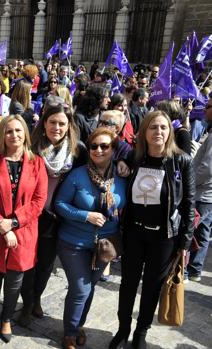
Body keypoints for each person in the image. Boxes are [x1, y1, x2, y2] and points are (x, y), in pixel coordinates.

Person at [110, 111, 195, 349]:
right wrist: (120, 162)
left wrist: (185, 244)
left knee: (151, 288)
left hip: (164, 237)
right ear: (144, 132)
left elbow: (189, 203)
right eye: (153, 127)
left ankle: (140, 333)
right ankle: (123, 329)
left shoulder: (182, 161)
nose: (158, 132)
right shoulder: (135, 158)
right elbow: (111, 143)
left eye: (163, 128)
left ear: (170, 132)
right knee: (128, 285)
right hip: (134, 234)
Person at [54, 127, 127, 349]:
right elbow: (59, 204)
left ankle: (78, 326)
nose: (98, 150)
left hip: (104, 246)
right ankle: (69, 333)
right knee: (81, 288)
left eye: (105, 146)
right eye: (94, 146)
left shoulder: (123, 176)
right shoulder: (78, 175)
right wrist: (85, 216)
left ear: (114, 150)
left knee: (90, 287)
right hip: (73, 242)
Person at [0, 114, 47, 343]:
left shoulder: (36, 163)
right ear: (2, 135)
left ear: (25, 133)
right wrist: (3, 227)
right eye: (9, 131)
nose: (14, 135)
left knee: (15, 279)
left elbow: (39, 200)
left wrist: (14, 222)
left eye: (18, 130)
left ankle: (7, 317)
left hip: (23, 232)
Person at [16, 103, 87, 327]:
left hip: (56, 217)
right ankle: (26, 303)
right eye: (52, 122)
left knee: (46, 263)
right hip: (30, 213)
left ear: (69, 126)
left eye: (62, 123)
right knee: (27, 261)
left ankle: (36, 298)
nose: (57, 127)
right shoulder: (31, 147)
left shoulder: (78, 151)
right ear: (44, 123)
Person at [187, 97, 212, 282]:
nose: (204, 110)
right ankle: (195, 269)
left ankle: (186, 270)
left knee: (191, 230)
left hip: (203, 194)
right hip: (207, 194)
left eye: (208, 106)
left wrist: (191, 183)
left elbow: (207, 168)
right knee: (203, 231)